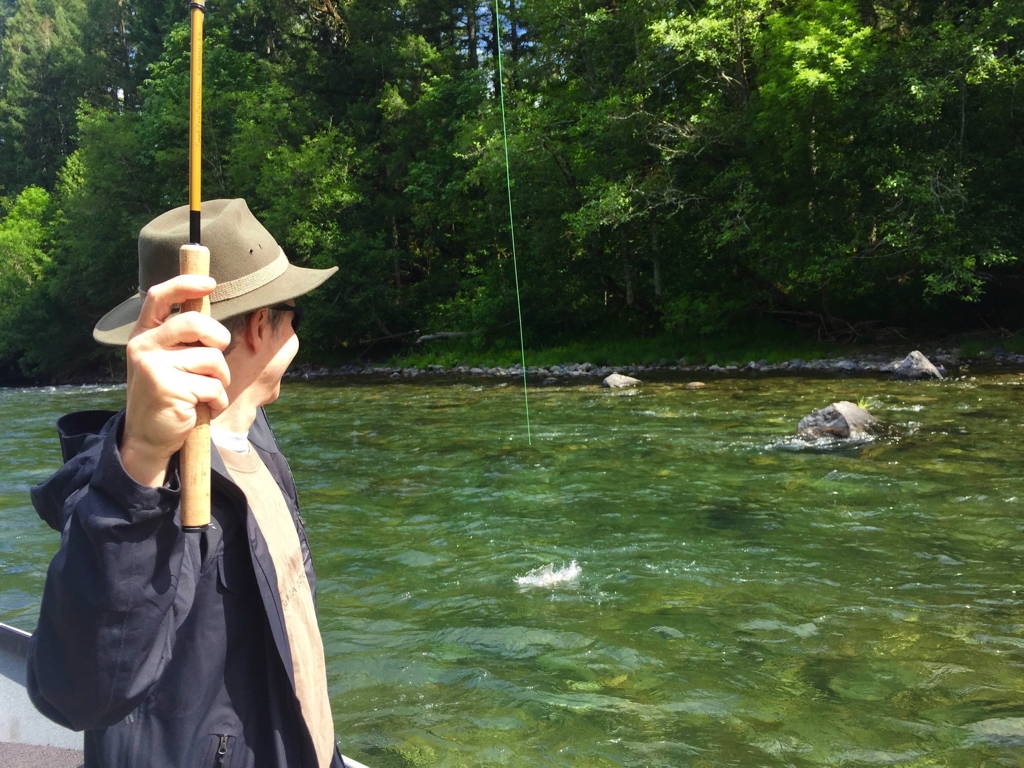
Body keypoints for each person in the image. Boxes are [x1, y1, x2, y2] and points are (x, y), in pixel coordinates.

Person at [27, 199, 346, 767]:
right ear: (259, 326)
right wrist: (142, 457)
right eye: (295, 314)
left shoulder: (255, 441)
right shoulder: (132, 481)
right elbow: (79, 697)